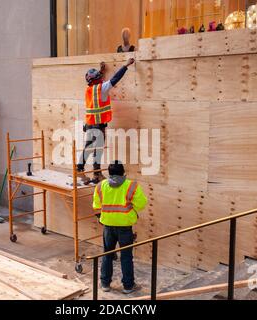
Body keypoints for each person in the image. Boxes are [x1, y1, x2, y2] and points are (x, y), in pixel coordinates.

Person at [93, 161, 148, 294]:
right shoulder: (131, 186)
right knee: (126, 256)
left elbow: (96, 206)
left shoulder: (101, 186)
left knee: (107, 255)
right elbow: (141, 204)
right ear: (123, 172)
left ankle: (105, 284)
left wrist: (102, 218)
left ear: (109, 173)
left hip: (108, 226)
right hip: (124, 227)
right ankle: (128, 286)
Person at [78, 58, 136, 184]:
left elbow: (98, 82)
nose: (102, 79)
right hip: (97, 126)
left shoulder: (89, 89)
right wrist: (126, 65)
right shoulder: (102, 88)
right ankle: (95, 174)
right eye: (99, 77)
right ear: (97, 80)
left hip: (89, 124)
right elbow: (115, 79)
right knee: (97, 149)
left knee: (89, 147)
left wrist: (101, 70)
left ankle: (81, 170)